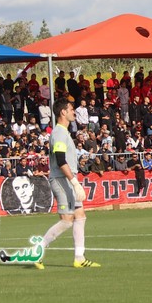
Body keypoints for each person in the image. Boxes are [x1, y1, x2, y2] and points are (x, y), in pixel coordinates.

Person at [35, 100, 100, 269]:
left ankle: (79, 257)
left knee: (80, 216)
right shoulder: (59, 133)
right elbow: (61, 159)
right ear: (63, 112)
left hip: (68, 179)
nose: (74, 112)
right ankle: (37, 251)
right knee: (66, 220)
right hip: (61, 179)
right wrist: (74, 181)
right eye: (71, 109)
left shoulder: (63, 132)